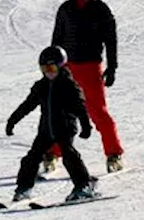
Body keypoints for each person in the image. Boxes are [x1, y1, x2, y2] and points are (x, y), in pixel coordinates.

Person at [46, 0, 124, 174]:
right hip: (68, 68)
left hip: (91, 67)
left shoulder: (101, 9)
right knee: (61, 113)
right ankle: (52, 154)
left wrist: (112, 67)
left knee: (98, 112)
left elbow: (111, 40)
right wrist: (52, 67)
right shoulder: (65, 9)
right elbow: (57, 38)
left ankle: (113, 153)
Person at [5, 46, 97, 203]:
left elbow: (80, 107)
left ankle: (84, 185)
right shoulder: (41, 86)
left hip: (65, 127)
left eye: (52, 67)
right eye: (45, 68)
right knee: (32, 157)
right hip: (46, 129)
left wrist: (86, 125)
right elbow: (27, 105)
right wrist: (13, 120)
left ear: (61, 66)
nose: (49, 72)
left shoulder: (69, 85)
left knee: (69, 155)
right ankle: (23, 188)